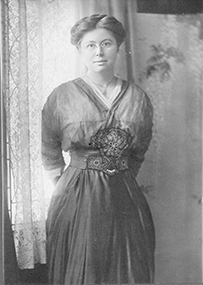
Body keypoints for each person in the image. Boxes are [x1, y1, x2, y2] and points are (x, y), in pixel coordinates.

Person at [42, 14, 155, 285]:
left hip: (124, 195)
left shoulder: (137, 98)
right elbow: (49, 150)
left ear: (118, 48)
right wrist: (68, 185)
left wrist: (120, 175)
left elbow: (139, 150)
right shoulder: (62, 96)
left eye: (106, 44)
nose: (99, 52)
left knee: (127, 270)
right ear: (80, 50)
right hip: (75, 194)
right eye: (90, 45)